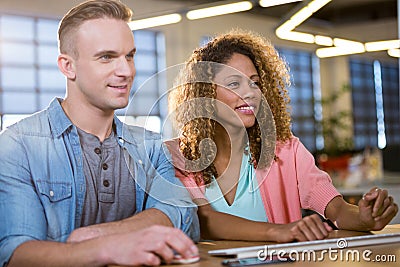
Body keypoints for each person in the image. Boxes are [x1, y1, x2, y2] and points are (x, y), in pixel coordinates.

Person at [0, 0, 200, 266]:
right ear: (67, 66)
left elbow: (183, 214)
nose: (127, 71)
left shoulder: (150, 146)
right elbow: (16, 254)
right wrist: (107, 248)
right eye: (106, 57)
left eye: (129, 56)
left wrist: (94, 235)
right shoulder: (18, 145)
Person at [167, 29, 398, 243]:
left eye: (255, 83)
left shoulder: (286, 151)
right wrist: (280, 230)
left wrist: (364, 218)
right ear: (205, 93)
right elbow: (203, 220)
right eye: (234, 83)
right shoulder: (178, 158)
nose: (250, 92)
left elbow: (335, 208)